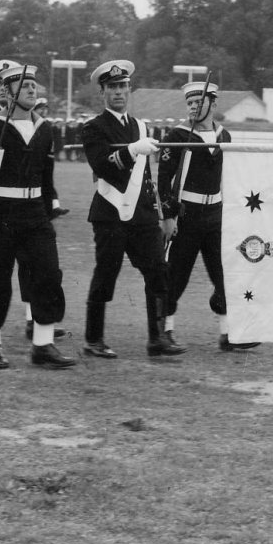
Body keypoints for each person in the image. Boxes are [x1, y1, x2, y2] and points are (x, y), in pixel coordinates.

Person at [0, 65, 74, 369]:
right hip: (0, 214)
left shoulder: (45, 128)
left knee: (48, 275)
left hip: (35, 213)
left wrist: (51, 209)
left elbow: (46, 174)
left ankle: (43, 345)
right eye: (23, 85)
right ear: (9, 91)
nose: (31, 90)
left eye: (33, 85)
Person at [80, 59, 185, 359]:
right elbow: (102, 165)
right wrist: (131, 150)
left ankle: (157, 339)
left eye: (123, 87)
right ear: (102, 92)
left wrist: (161, 214)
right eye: (112, 87)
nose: (118, 92)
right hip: (110, 213)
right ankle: (93, 339)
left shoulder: (140, 125)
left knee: (158, 272)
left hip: (141, 214)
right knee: (106, 274)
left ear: (129, 90)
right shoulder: (94, 127)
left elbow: (147, 178)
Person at [157, 81, 260, 352]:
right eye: (189, 103)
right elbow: (164, 177)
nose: (193, 107)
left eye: (198, 102)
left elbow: (230, 175)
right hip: (187, 214)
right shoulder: (178, 135)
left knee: (223, 273)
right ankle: (165, 331)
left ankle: (229, 334)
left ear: (213, 104)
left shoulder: (224, 136)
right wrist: (167, 215)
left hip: (216, 213)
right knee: (177, 274)